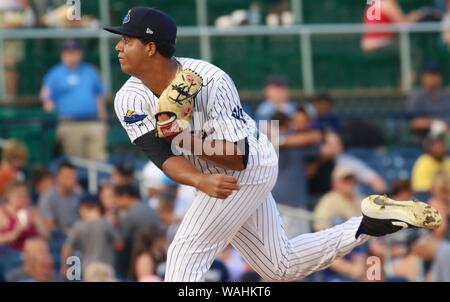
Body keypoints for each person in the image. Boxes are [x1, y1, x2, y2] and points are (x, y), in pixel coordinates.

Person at [104, 7, 442, 282]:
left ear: (150, 47)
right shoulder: (128, 99)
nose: (118, 47)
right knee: (279, 267)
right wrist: (198, 178)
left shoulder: (211, 81)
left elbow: (237, 159)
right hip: (210, 176)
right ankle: (368, 224)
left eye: (127, 40)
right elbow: (161, 156)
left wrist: (181, 134)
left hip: (249, 165)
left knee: (184, 253)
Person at [40, 39, 107, 161]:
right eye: (69, 52)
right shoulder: (55, 74)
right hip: (70, 124)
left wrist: (103, 120)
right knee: (75, 162)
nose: (72, 55)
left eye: (75, 52)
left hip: (93, 122)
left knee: (98, 161)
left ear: (80, 54)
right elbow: (46, 100)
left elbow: (99, 96)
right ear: (63, 54)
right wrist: (57, 118)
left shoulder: (90, 71)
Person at [60, 194, 122, 275]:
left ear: (83, 207)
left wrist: (65, 267)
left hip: (89, 270)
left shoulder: (78, 226)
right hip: (106, 269)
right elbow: (119, 245)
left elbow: (67, 248)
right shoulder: (106, 224)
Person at [113, 184, 161, 279]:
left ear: (125, 197)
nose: (115, 202)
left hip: (139, 259)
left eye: (117, 198)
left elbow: (120, 244)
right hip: (156, 257)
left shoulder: (131, 214)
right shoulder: (149, 208)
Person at [37, 161, 81, 235]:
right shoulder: (47, 197)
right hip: (57, 237)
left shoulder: (79, 196)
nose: (71, 180)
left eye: (73, 177)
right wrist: (68, 232)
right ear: (58, 177)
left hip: (77, 235)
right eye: (67, 177)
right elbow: (49, 225)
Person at [407, 63, 450, 136]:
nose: (433, 78)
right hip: (425, 136)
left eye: (435, 75)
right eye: (430, 75)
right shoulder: (417, 97)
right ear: (423, 77)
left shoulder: (446, 96)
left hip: (446, 135)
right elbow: (414, 122)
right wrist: (438, 125)